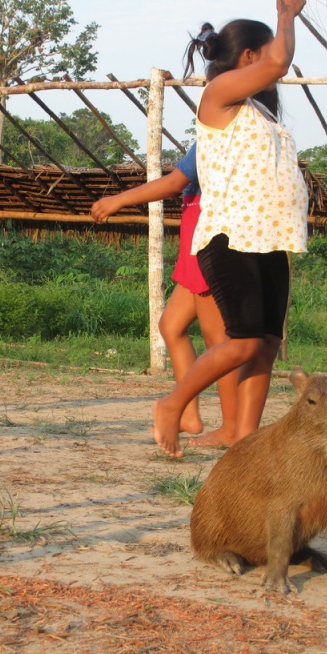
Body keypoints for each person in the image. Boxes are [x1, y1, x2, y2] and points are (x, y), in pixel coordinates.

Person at [152, 0, 310, 457]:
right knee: (241, 343)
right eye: (261, 57)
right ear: (247, 56)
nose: (270, 67)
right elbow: (280, 60)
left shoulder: (259, 111)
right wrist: (285, 17)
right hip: (231, 236)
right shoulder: (218, 95)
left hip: (270, 239)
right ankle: (172, 403)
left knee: (264, 345)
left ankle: (245, 440)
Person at [91, 144, 239, 446]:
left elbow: (174, 182)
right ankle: (189, 415)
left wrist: (118, 200)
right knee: (171, 326)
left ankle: (232, 428)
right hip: (194, 235)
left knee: (218, 342)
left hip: (207, 237)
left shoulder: (219, 136)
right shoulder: (215, 133)